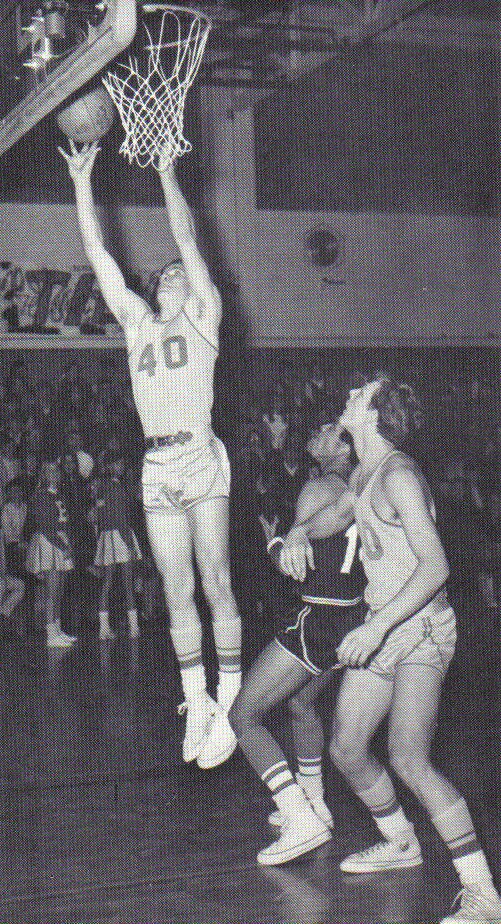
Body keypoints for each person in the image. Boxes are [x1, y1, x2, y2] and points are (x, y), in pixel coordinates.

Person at [280, 374, 501, 924]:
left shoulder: (399, 475)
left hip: (420, 627)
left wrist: (376, 629)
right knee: (347, 747)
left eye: (359, 395)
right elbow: (337, 515)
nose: (347, 397)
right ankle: (400, 841)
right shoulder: (364, 473)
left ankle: (483, 893)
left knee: (408, 755)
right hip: (386, 624)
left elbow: (436, 567)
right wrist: (302, 532)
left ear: (376, 415)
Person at [60, 141, 242, 766]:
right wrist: (82, 184)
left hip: (200, 457)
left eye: (177, 272)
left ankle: (233, 696)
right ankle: (199, 702)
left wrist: (166, 173)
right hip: (157, 465)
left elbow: (189, 242)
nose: (168, 272)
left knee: (216, 578)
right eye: (162, 272)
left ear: (191, 287)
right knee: (175, 587)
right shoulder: (137, 322)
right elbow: (99, 256)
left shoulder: (203, 318)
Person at [229, 421, 366, 865]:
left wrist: (273, 538)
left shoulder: (319, 487)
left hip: (318, 616)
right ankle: (315, 801)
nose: (317, 432)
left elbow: (295, 565)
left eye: (327, 430)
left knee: (244, 716)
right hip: (351, 615)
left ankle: (299, 818)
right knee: (302, 703)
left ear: (343, 448)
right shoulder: (362, 484)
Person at [25, 459, 77, 647]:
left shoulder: (58, 494)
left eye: (56, 471)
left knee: (60, 590)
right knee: (52, 591)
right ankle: (50, 634)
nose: (55, 474)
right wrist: (62, 546)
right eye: (50, 472)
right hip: (49, 542)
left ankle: (57, 630)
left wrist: (68, 542)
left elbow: (65, 522)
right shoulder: (40, 496)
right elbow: (46, 526)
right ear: (44, 475)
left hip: (61, 540)